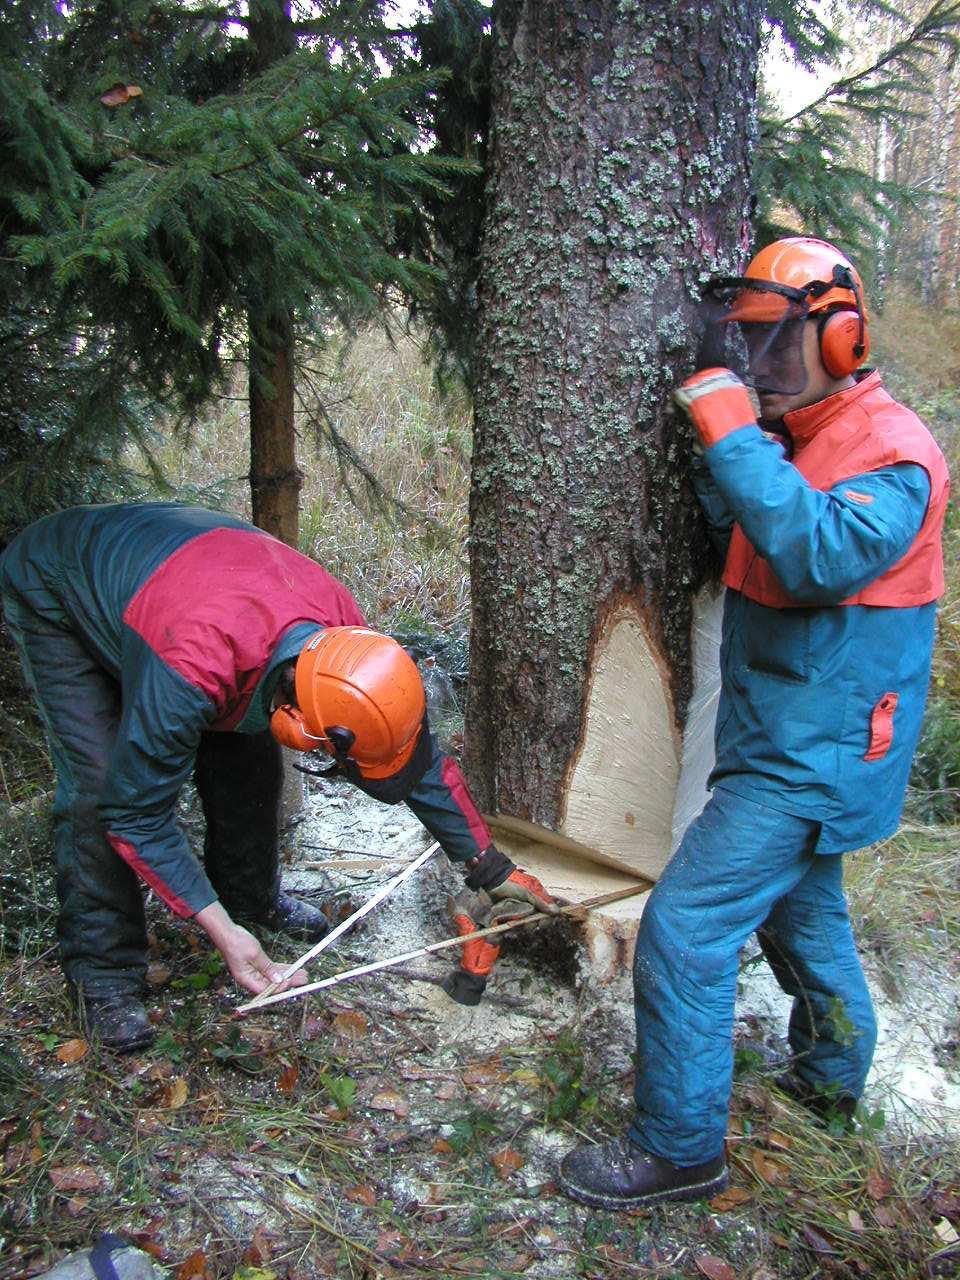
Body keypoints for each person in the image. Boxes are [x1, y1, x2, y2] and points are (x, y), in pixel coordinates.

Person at [559, 237, 950, 1210]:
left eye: (777, 344)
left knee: (686, 929)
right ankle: (829, 1084)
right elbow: (748, 531)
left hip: (813, 754)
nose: (760, 367)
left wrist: (733, 431)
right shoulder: (802, 434)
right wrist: (721, 455)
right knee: (804, 919)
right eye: (749, 346)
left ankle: (680, 1147)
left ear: (842, 336)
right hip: (783, 734)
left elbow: (817, 555)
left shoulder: (896, 454)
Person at [0, 502, 555, 1052]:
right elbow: (135, 815)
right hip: (62, 585)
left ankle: (251, 896)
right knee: (101, 787)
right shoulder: (191, 667)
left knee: (248, 758)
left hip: (185, 584)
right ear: (298, 713)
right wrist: (224, 936)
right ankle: (103, 971)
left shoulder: (347, 643)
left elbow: (413, 748)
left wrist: (488, 865)